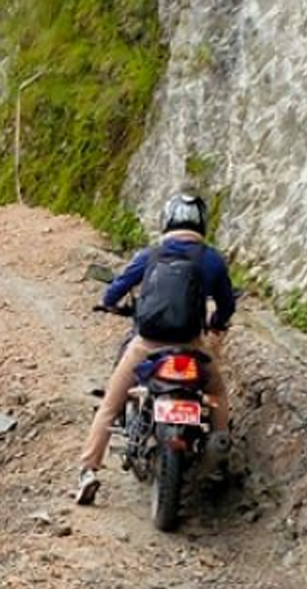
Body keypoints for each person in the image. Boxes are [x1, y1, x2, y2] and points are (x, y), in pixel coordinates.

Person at [76, 193, 236, 505]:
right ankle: (218, 455)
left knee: (110, 403)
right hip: (191, 347)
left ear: (167, 220)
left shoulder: (150, 255)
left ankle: (88, 471)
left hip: (147, 345)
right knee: (217, 394)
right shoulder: (212, 260)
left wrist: (110, 304)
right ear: (202, 223)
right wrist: (216, 321)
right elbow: (227, 306)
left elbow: (115, 290)